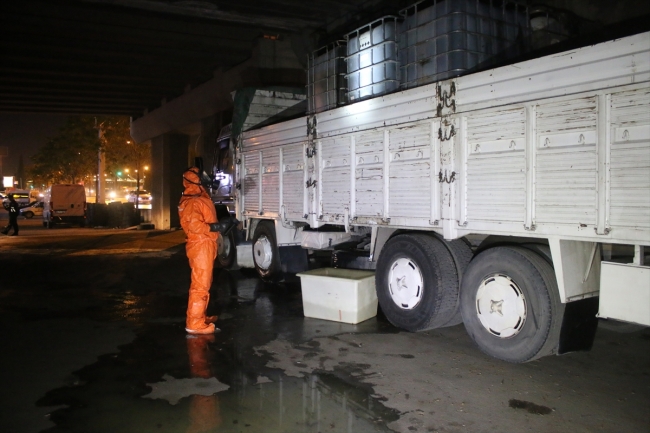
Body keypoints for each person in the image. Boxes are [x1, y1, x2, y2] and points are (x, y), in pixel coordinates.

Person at [178, 167, 237, 334]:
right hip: (200, 245)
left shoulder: (196, 197)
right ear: (195, 180)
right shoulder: (192, 201)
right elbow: (195, 226)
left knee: (204, 282)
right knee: (200, 285)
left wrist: (220, 227)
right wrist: (217, 226)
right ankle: (195, 323)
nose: (206, 178)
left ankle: (199, 316)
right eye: (202, 176)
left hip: (204, 244)